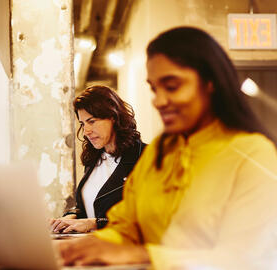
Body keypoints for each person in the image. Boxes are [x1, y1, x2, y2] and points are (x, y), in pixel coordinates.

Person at [57, 27, 277, 269]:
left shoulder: (254, 155)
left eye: (171, 86)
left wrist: (143, 255)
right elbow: (126, 225)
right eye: (154, 88)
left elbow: (246, 258)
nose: (159, 101)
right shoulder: (161, 151)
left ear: (210, 83)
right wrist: (87, 246)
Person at [51, 85, 146, 233]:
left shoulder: (146, 157)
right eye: (82, 124)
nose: (86, 131)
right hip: (97, 249)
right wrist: (71, 217)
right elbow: (89, 205)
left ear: (113, 117)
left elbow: (148, 216)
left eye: (92, 121)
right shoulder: (94, 159)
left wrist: (94, 223)